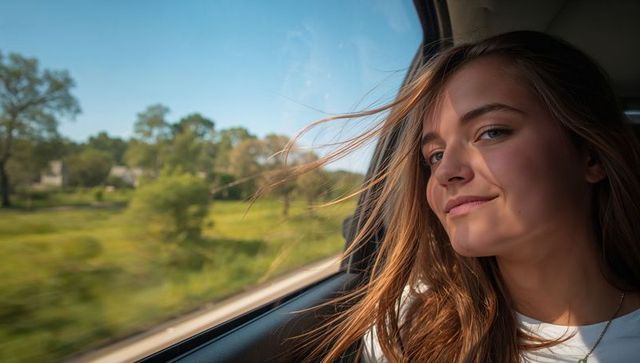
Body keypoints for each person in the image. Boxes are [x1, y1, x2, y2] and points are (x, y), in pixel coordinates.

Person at [291, 31, 640, 362]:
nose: (445, 172)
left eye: (491, 132)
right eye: (435, 155)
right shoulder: (404, 328)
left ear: (591, 155)